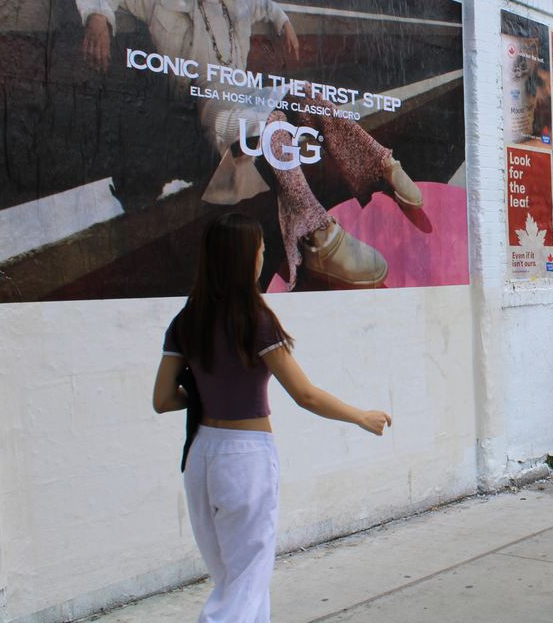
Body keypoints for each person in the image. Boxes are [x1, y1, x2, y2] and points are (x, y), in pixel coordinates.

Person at [75, 0, 421, 288]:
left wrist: (284, 23)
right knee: (272, 130)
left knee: (307, 94)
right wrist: (98, 19)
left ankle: (382, 163)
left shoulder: (237, 1)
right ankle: (317, 237)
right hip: (210, 105)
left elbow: (267, 5)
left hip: (245, 92)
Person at [151, 213, 392, 620]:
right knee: (243, 586)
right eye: (261, 249)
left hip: (201, 458)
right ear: (247, 259)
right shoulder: (254, 320)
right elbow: (305, 395)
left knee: (234, 580)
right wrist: (360, 417)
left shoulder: (185, 321)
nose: (263, 256)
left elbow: (163, 399)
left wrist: (204, 390)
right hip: (245, 461)